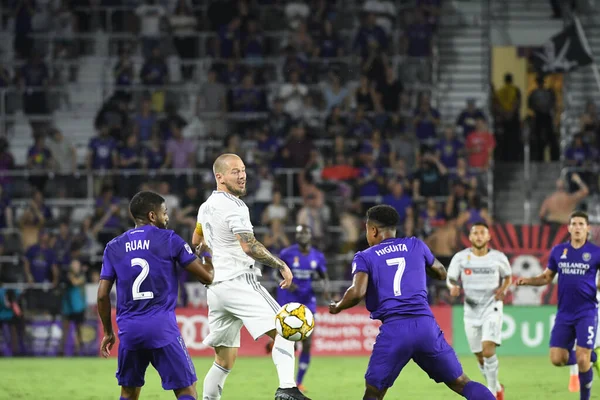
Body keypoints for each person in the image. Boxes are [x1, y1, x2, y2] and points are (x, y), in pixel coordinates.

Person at [329, 205, 495, 400]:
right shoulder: (416, 245)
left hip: (395, 330)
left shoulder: (365, 256)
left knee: (374, 392)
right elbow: (441, 272)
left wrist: (338, 306)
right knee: (461, 382)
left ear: (372, 230)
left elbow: (357, 292)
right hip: (425, 327)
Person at [192, 153, 309, 400]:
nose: (242, 175)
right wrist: (280, 264)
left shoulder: (205, 207)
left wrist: (210, 260)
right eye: (235, 171)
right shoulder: (236, 206)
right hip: (239, 282)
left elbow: (197, 242)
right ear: (219, 177)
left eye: (243, 170)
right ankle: (287, 389)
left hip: (216, 289)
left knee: (224, 360)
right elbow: (249, 246)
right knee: (286, 328)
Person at [97, 191, 214, 400]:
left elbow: (102, 296)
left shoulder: (113, 247)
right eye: (165, 213)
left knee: (129, 392)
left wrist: (108, 331)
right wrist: (206, 252)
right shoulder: (169, 239)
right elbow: (207, 277)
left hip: (129, 331)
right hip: (162, 329)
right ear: (153, 216)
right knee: (187, 389)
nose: (167, 218)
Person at [516, 210, 600, 400]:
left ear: (587, 228)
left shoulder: (596, 253)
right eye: (574, 224)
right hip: (564, 313)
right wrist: (528, 281)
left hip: (586, 311)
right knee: (557, 359)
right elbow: (547, 277)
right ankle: (592, 357)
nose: (578, 227)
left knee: (580, 358)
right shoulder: (558, 251)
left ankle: (584, 396)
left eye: (581, 224)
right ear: (569, 228)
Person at [447, 222, 512, 399]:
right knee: (480, 356)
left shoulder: (498, 257)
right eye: (475, 233)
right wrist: (452, 287)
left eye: (482, 233)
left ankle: (491, 392)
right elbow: (450, 278)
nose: (479, 236)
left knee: (488, 349)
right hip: (471, 310)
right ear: (470, 237)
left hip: (492, 307)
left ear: (489, 236)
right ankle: (497, 387)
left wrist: (504, 290)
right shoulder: (461, 258)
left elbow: (508, 276)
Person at [276, 224, 330, 392]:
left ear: (310, 235)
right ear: (296, 237)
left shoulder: (318, 256)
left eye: (305, 233)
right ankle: (287, 381)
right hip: (289, 302)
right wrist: (289, 285)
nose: (302, 237)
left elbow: (324, 277)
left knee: (307, 342)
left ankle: (298, 381)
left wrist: (326, 293)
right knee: (287, 342)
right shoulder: (287, 253)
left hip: (308, 302)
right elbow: (275, 272)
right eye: (299, 234)